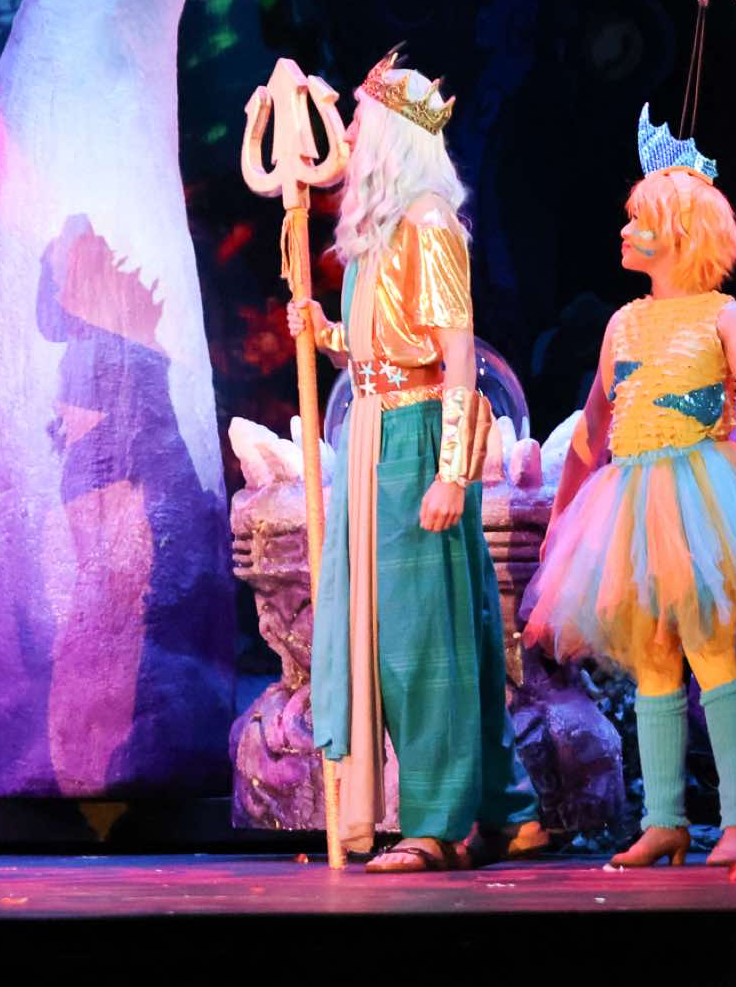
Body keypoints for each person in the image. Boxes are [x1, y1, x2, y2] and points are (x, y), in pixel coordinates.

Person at [289, 50, 532, 871]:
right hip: (371, 430)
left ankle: (435, 823)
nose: (353, 134)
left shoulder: (429, 222)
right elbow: (381, 349)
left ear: (394, 132)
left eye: (363, 121)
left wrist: (453, 470)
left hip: (416, 437)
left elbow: (457, 355)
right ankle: (508, 812)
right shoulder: (380, 231)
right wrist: (323, 330)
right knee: (413, 628)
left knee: (421, 639)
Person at [524, 108, 736, 868]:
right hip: (630, 505)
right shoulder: (622, 323)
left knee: (713, 650)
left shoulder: (723, 315)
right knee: (653, 656)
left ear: (679, 233)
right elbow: (593, 427)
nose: (622, 231)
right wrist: (562, 517)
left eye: (637, 221)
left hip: (701, 498)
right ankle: (666, 818)